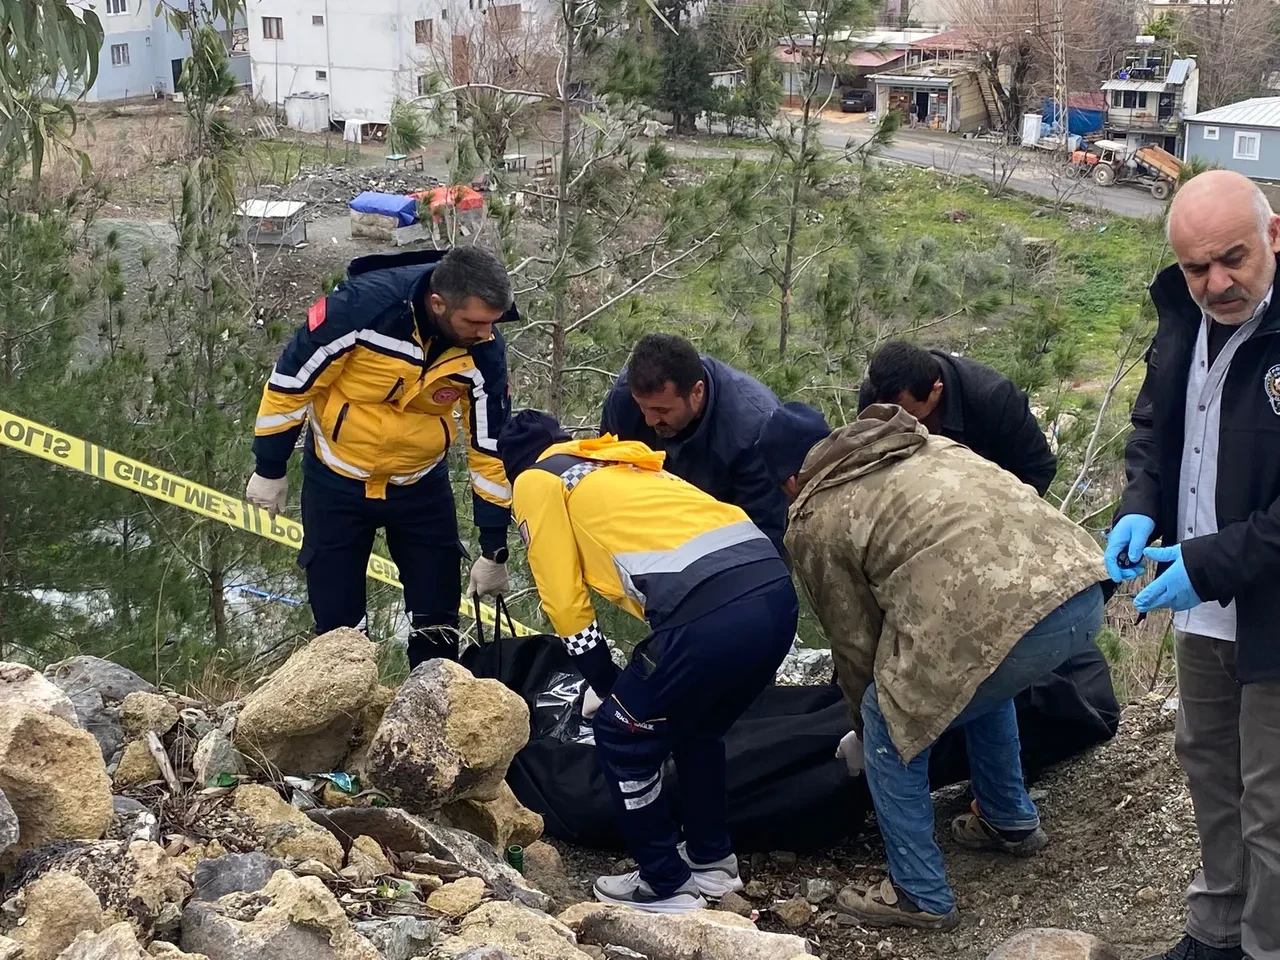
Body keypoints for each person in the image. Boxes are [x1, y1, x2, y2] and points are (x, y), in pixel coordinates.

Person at [759, 401, 1105, 931]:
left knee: (886, 713)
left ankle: (919, 893)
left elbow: (855, 646)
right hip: (1083, 593)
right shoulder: (923, 445)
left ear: (788, 481)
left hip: (1012, 625)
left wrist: (864, 729)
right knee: (975, 675)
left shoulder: (818, 516)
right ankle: (1008, 818)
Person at [498, 409, 797, 915]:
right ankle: (711, 861)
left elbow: (563, 600)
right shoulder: (617, 464)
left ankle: (664, 883)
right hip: (774, 594)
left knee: (622, 735)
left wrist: (604, 682)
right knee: (698, 729)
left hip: (711, 614)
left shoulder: (537, 479)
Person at [1105, 170, 1280, 960]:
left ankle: (1265, 944)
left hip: (1267, 607)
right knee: (1210, 769)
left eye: (1232, 260)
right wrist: (1141, 500)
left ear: (1273, 236)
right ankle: (1216, 929)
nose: (1216, 282)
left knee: (1271, 801)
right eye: (1196, 267)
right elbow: (1155, 425)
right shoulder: (1183, 316)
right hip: (1200, 599)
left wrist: (1210, 561)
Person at [246, 247, 517, 667]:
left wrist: (494, 548)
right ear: (438, 303)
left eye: (492, 324)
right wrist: (269, 467)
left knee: (437, 621)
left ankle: (429, 715)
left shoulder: (484, 350)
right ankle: (344, 723)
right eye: (476, 322)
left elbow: (489, 449)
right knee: (339, 632)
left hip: (420, 485)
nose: (486, 334)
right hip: (337, 478)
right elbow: (291, 384)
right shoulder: (359, 309)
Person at [600, 333, 789, 555]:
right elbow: (608, 473)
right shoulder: (625, 398)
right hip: (650, 526)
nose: (650, 421)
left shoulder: (754, 428)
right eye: (643, 407)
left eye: (662, 410)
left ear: (697, 392)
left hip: (729, 538)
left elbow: (765, 534)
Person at [858, 341, 1057, 495]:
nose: (900, 422)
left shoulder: (995, 398)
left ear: (937, 390)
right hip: (910, 493)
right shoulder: (875, 394)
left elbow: (1039, 469)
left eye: (910, 414)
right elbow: (864, 461)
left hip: (986, 496)